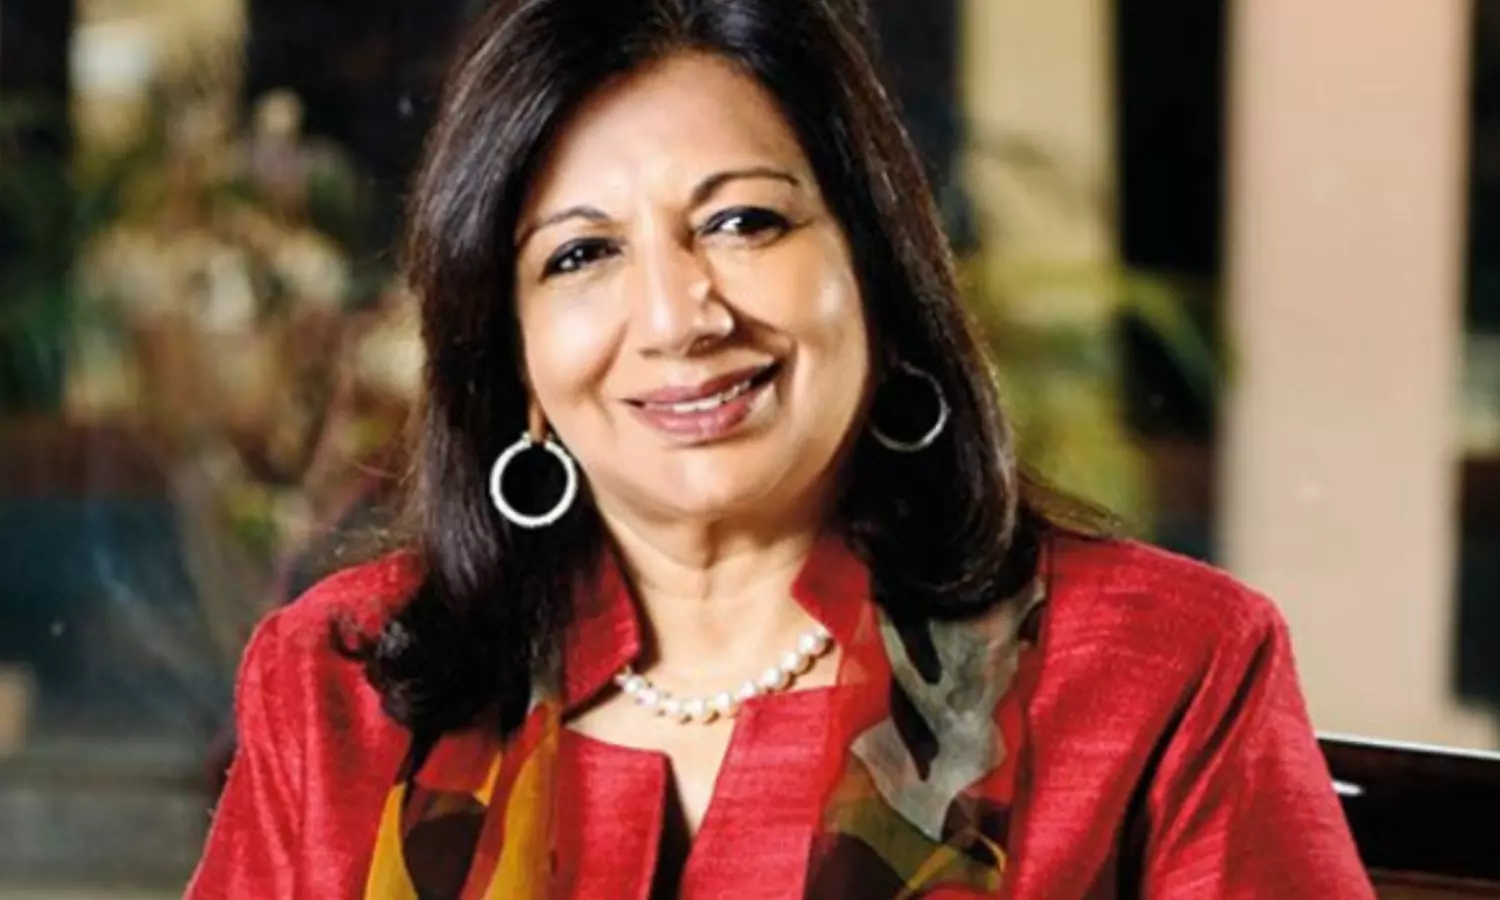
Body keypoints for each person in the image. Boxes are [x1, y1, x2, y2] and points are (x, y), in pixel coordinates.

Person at [187, 0, 1375, 896]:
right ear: (513, 354)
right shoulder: (340, 686)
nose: (679, 317)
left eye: (744, 221)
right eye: (581, 255)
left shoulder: (1165, 670)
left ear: (875, 266)